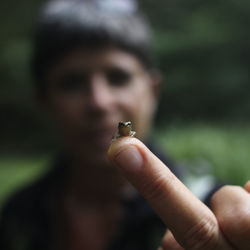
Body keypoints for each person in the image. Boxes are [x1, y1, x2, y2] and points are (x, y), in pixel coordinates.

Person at [1, 1, 250, 250]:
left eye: (118, 77)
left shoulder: (208, 208)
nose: (98, 102)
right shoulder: (19, 216)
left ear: (152, 91)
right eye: (72, 83)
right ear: (44, 102)